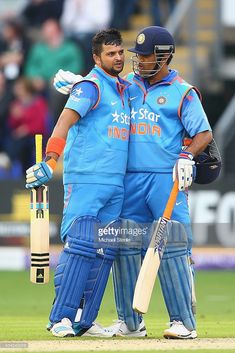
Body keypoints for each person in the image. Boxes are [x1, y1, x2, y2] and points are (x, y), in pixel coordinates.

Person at [52, 26, 217, 339]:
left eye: (145, 56)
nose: (138, 61)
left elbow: (204, 134)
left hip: (165, 178)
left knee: (173, 244)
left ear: (164, 56)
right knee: (124, 247)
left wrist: (186, 156)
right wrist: (79, 82)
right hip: (129, 179)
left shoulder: (183, 91)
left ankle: (182, 321)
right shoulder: (127, 86)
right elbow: (103, 90)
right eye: (137, 56)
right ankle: (130, 322)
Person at [25, 28, 131, 338]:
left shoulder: (122, 89)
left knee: (104, 252)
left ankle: (85, 320)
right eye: (111, 54)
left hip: (116, 184)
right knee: (83, 245)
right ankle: (61, 318)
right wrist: (50, 161)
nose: (118, 57)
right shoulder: (91, 86)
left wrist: (76, 81)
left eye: (120, 52)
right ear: (97, 58)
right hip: (86, 178)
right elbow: (63, 122)